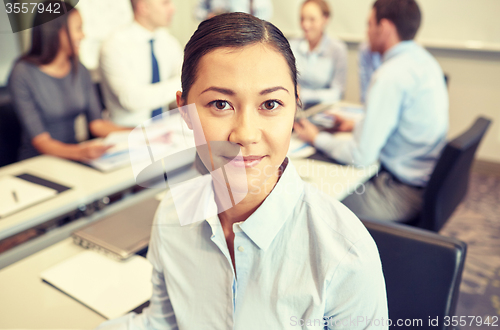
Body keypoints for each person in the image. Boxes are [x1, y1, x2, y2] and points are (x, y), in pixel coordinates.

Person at [96, 12, 387, 329]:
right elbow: (163, 323)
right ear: (185, 112)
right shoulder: (172, 216)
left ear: (295, 108)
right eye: (220, 104)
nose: (246, 134)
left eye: (271, 104)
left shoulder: (344, 255)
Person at [294, 0, 449, 222]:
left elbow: (360, 157)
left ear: (384, 28)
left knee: (317, 199)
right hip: (422, 179)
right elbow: (401, 123)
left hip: (400, 191)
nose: (366, 33)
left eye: (369, 25)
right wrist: (355, 125)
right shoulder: (424, 61)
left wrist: (316, 137)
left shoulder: (390, 75)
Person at [8, 1, 125, 161]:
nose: (83, 35)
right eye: (78, 28)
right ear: (57, 31)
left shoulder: (80, 69)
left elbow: (97, 124)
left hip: (74, 156)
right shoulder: (22, 73)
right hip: (38, 162)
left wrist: (141, 133)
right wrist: (80, 152)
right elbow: (41, 141)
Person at [99, 0, 182, 127]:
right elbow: (131, 100)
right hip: (126, 132)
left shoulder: (169, 42)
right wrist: (183, 82)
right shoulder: (114, 46)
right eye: (165, 3)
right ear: (143, 8)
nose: (173, 9)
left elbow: (186, 79)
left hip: (163, 129)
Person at [289, 0, 347, 109]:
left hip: (322, 110)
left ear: (325, 19)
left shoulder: (337, 49)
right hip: (295, 109)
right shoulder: (292, 46)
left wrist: (304, 94)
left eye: (312, 19)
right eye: (302, 19)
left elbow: (337, 93)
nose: (305, 25)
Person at [194, 0, 273, 21]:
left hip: (245, 35)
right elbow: (196, 12)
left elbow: (264, 17)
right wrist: (208, 15)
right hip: (216, 32)